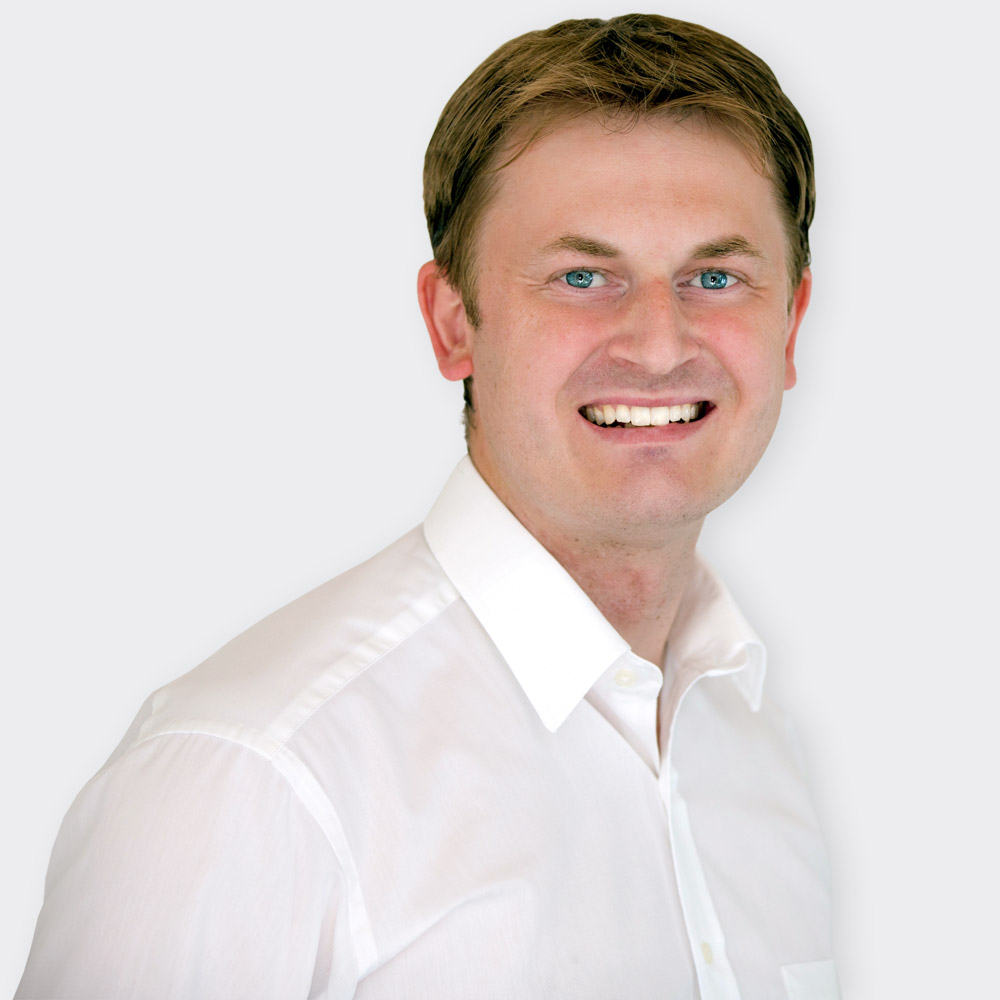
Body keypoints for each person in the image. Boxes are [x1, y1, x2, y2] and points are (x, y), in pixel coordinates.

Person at [17, 13, 837, 1000]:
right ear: (454, 325)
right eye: (582, 276)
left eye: (715, 277)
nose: (660, 343)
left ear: (788, 324)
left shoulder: (750, 745)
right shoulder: (252, 780)